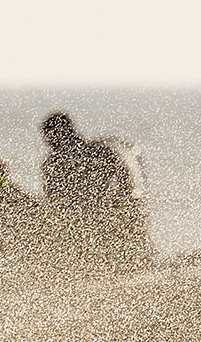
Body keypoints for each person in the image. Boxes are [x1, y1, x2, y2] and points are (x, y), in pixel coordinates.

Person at [38, 111, 152, 271]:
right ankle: (142, 262)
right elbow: (125, 179)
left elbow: (53, 201)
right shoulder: (100, 149)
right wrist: (125, 201)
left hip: (82, 223)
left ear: (55, 135)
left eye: (48, 137)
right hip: (105, 215)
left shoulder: (52, 163)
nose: (47, 142)